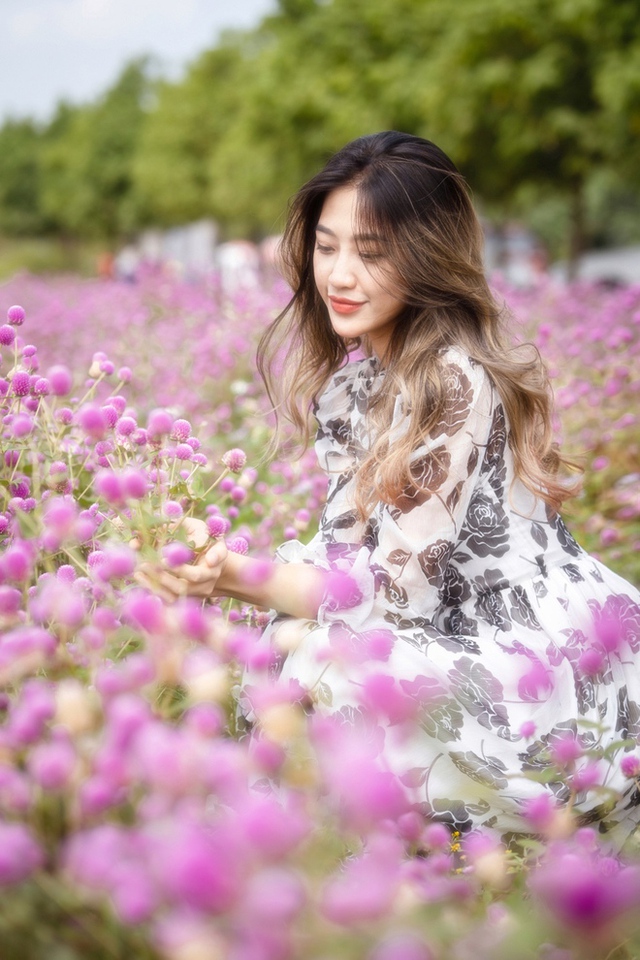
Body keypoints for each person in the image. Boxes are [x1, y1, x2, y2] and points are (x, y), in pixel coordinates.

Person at [145, 132, 640, 842]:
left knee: (329, 674)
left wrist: (229, 575)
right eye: (327, 246)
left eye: (371, 253)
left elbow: (388, 595)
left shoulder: (452, 380)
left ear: (428, 257)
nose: (340, 274)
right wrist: (223, 571)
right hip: (440, 614)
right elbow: (348, 560)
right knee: (289, 643)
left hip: (514, 641)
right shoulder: (370, 377)